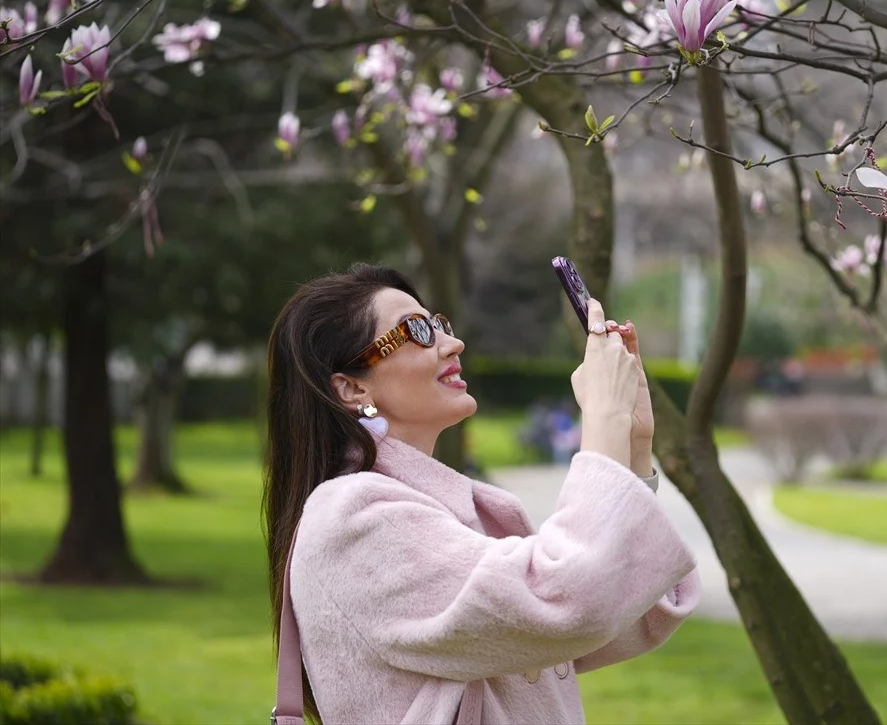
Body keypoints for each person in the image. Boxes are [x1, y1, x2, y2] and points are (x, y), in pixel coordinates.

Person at [263, 264, 700, 724]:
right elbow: (573, 603)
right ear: (352, 388)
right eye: (416, 330)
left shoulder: (446, 514)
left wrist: (630, 445)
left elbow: (622, 614)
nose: (452, 344)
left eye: (439, 325)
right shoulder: (355, 519)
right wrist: (602, 420)